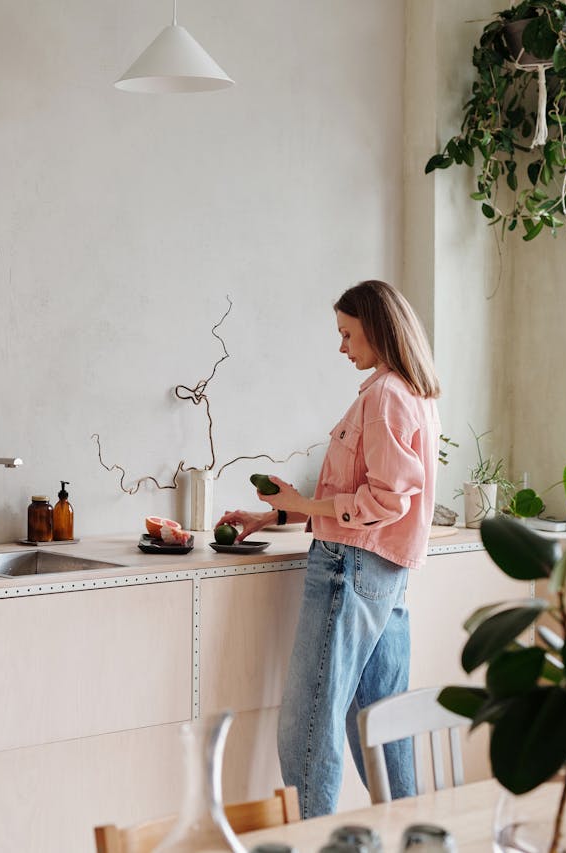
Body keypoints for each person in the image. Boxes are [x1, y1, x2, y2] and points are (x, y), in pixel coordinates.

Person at [218, 280, 441, 818]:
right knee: (381, 721)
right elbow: (364, 496)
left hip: (350, 567)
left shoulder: (385, 396)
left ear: (377, 328)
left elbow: (385, 500)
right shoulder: (412, 392)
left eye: (347, 334)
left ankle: (313, 838)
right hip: (384, 572)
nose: (342, 348)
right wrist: (277, 513)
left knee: (309, 724)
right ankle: (413, 837)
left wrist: (303, 504)